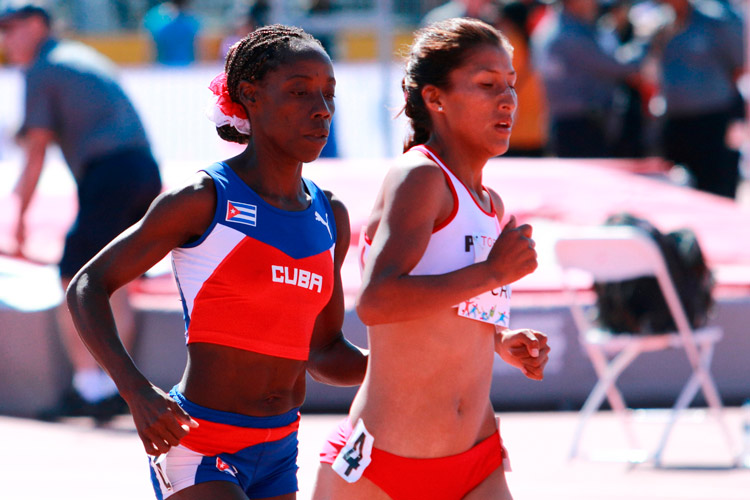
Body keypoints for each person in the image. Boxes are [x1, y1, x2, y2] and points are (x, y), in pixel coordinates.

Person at [66, 24, 367, 499]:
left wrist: (401, 363)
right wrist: (137, 392)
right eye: (299, 91)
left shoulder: (331, 215)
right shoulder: (205, 198)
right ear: (250, 96)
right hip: (198, 442)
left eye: (328, 94)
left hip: (280, 448)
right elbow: (87, 285)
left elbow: (324, 352)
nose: (321, 110)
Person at [313, 18, 550, 500]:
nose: (507, 99)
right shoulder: (419, 177)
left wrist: (499, 341)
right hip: (383, 463)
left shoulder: (491, 203)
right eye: (486, 85)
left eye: (510, 85)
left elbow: (448, 309)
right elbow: (378, 302)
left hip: (477, 458)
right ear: (434, 98)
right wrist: (492, 272)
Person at [0, 3, 162, 420]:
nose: (4, 38)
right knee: (114, 278)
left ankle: (92, 389)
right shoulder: (80, 55)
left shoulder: (43, 68)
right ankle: (114, 387)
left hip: (111, 172)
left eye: (9, 27)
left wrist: (17, 223)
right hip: (142, 168)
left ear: (37, 25)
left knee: (75, 276)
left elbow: (36, 151)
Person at [650, 0, 744, 198]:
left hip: (711, 119)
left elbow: (738, 66)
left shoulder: (716, 20)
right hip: (675, 120)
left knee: (716, 189)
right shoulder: (659, 24)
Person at [533, 0, 642, 157]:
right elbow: (617, 66)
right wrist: (644, 42)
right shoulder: (568, 34)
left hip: (577, 123)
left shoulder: (563, 27)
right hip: (580, 127)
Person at [143, 0, 201, 66]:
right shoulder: (192, 26)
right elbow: (198, 51)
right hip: (186, 67)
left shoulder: (162, 28)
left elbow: (153, 52)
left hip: (166, 68)